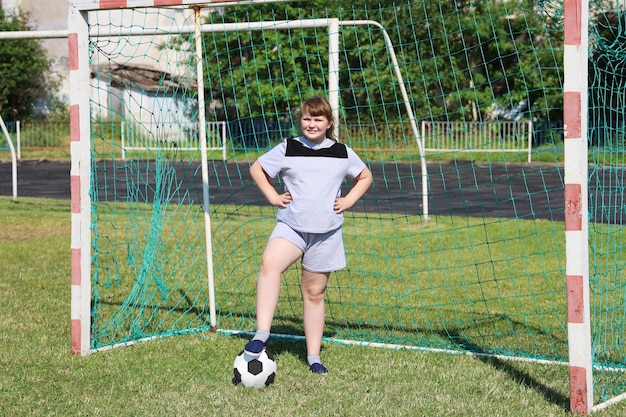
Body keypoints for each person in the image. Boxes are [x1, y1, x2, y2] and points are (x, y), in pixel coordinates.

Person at [243, 96, 373, 374]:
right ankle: (262, 333)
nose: (311, 124)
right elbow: (257, 168)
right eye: (306, 118)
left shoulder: (342, 152)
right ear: (300, 120)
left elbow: (365, 176)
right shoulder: (289, 147)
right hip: (292, 227)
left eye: (317, 119)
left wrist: (348, 201)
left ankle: (314, 357)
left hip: (326, 234)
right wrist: (272, 196)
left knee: (314, 292)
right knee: (269, 264)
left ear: (328, 123)